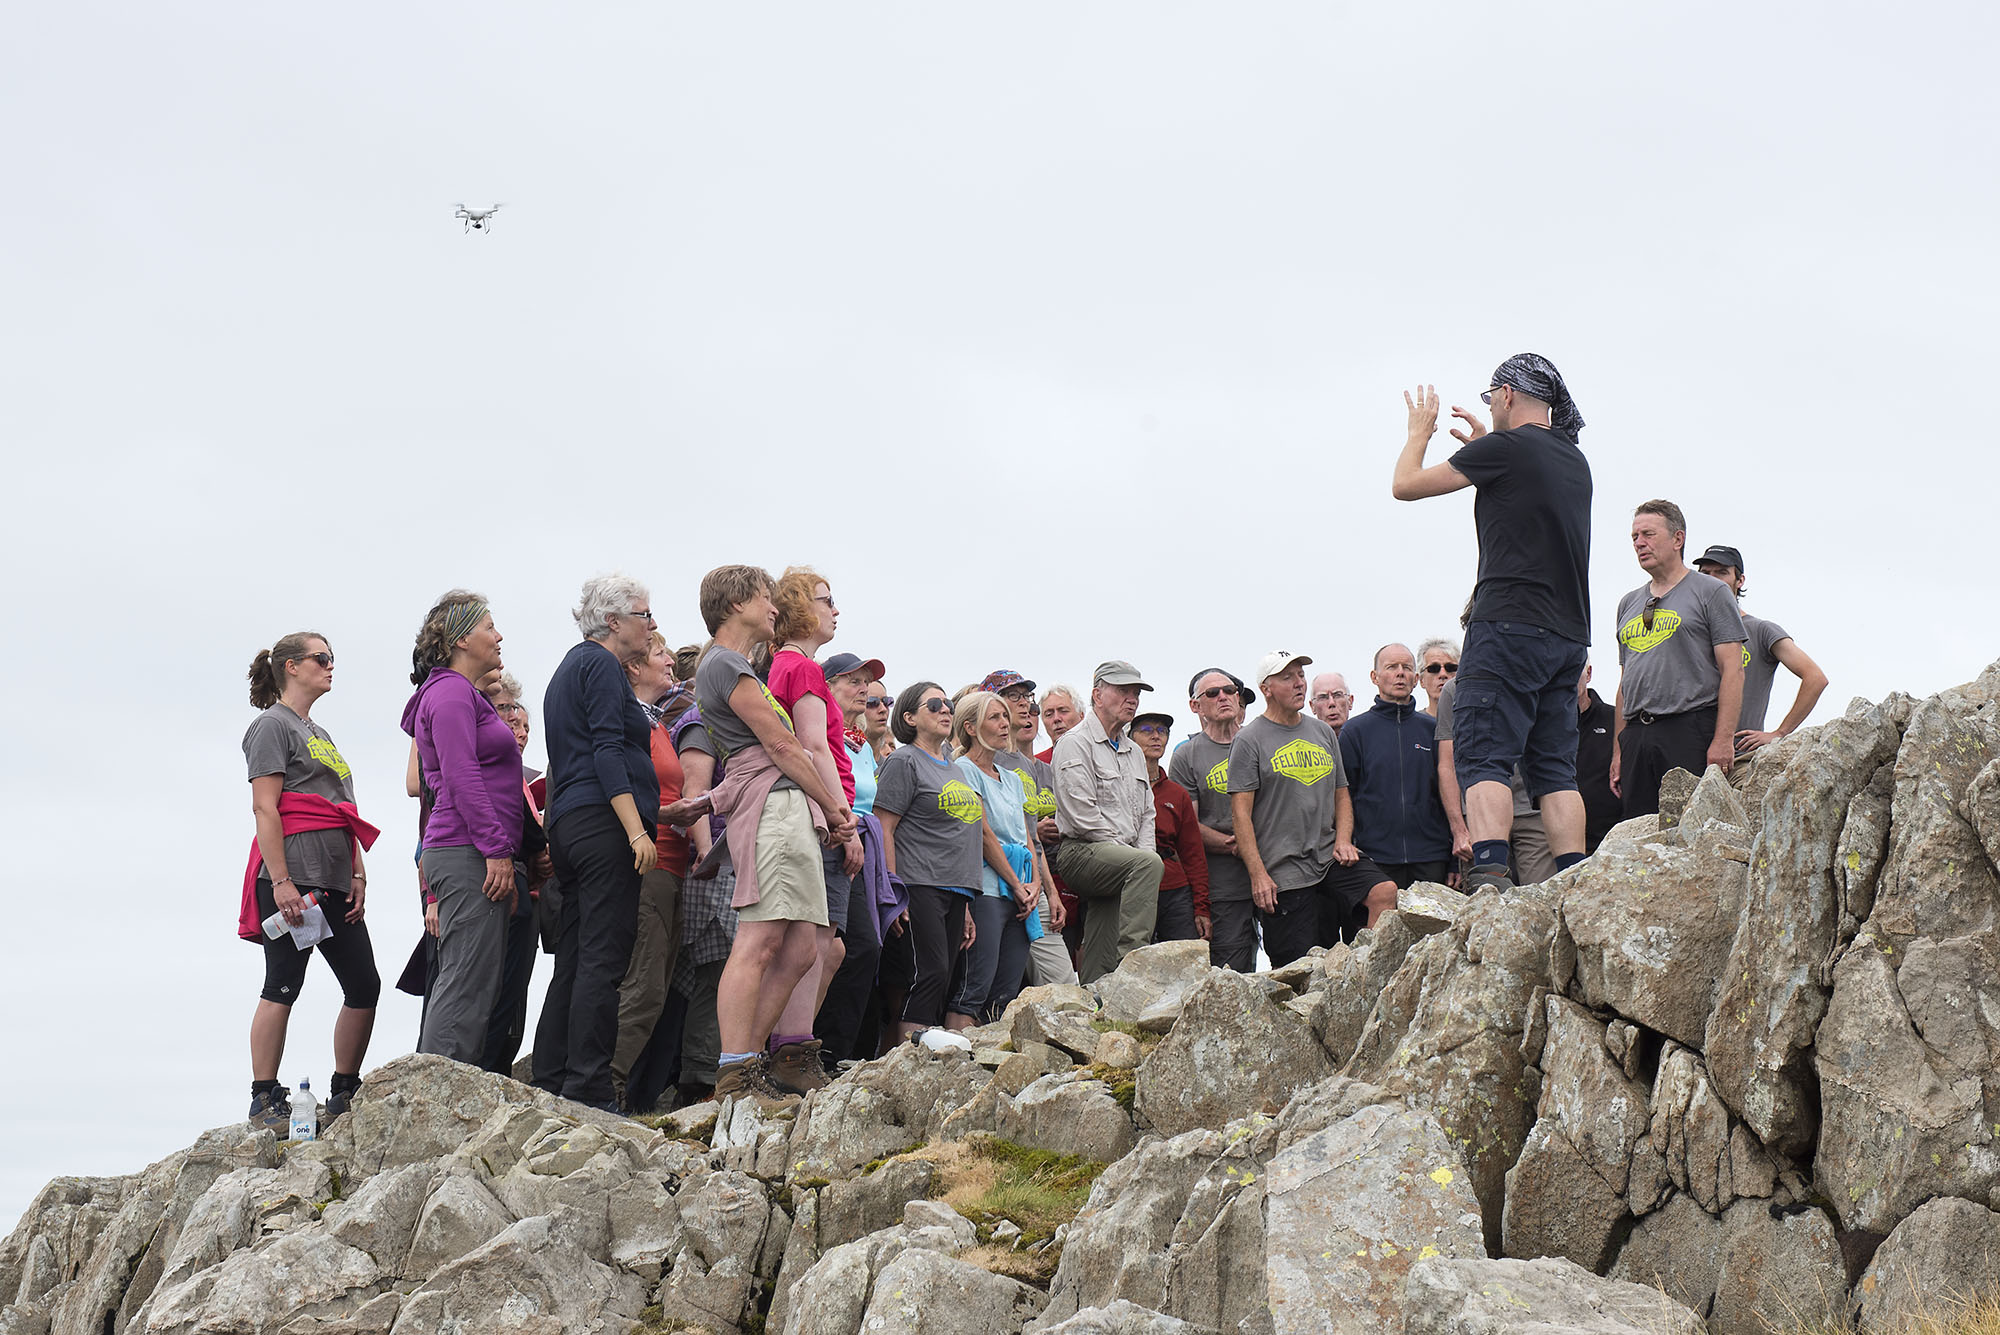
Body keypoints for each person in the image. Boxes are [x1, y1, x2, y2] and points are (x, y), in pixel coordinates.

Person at [1392, 356, 1593, 893]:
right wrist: (1483, 446)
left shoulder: (1503, 450)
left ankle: (1490, 878)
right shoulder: (1573, 459)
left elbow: (1405, 485)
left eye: (1489, 399)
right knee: (1555, 768)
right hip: (1569, 634)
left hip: (1507, 627)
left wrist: (1420, 433)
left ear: (1506, 395)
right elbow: (1518, 488)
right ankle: (1573, 879)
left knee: (1486, 758)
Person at [694, 566, 856, 1106]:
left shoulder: (736, 667)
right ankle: (736, 1072)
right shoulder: (727, 664)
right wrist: (835, 808)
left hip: (782, 808)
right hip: (775, 811)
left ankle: (748, 1062)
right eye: (765, 598)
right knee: (761, 939)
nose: (774, 608)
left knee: (800, 948)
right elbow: (784, 747)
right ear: (737, 603)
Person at [533, 574, 663, 1112]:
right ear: (613, 622)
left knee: (578, 954)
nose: (651, 625)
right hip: (604, 823)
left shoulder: (567, 668)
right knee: (604, 959)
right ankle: (588, 1086)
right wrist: (636, 828)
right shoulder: (603, 664)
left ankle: (553, 1073)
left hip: (569, 824)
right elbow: (608, 749)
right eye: (644, 614)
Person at [240, 632, 379, 1131]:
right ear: (292, 666)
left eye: (332, 658)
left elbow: (344, 810)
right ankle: (263, 1098)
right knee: (283, 983)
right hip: (293, 879)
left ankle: (344, 1088)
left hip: (336, 877)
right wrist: (281, 882)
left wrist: (358, 870)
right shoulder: (271, 726)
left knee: (364, 984)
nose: (330, 665)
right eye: (322, 658)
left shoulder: (320, 733)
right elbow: (265, 807)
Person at [403, 592, 523, 1067]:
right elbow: (459, 776)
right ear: (458, 639)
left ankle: (440, 1093)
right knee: (463, 981)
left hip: (466, 849)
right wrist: (497, 851)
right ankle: (430, 1102)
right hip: (467, 850)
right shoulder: (451, 692)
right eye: (489, 626)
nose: (498, 636)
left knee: (473, 980)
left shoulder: (456, 693)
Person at [762, 568, 864, 1092]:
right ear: (800, 607)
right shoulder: (802, 669)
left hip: (809, 815)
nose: (835, 610)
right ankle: (791, 1051)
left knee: (822, 944)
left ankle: (788, 1049)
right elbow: (813, 747)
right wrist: (843, 819)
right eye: (826, 600)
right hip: (821, 816)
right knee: (816, 941)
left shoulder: (784, 666)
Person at [1230, 651, 1386, 964]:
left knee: (1384, 892)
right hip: (1284, 872)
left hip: (1328, 857)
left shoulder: (1322, 732)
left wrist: (1343, 839)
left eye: (1300, 675)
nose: (1299, 683)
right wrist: (1258, 874)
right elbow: (1240, 815)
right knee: (1302, 968)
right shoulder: (1249, 740)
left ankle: (1368, 976)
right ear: (1266, 688)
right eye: (1287, 677)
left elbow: (1341, 794)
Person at [1611, 502, 1747, 818]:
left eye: (1648, 534)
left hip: (1689, 728)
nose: (1639, 543)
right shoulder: (1628, 603)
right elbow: (1625, 681)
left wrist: (1723, 740)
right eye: (1634, 537)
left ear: (1677, 539)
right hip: (1636, 735)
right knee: (1638, 835)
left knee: (1689, 832)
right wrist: (1618, 750)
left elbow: (1733, 669)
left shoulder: (1711, 592)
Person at [611, 631, 693, 1113]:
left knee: (657, 988)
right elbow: (619, 787)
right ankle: (609, 1087)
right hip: (651, 861)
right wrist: (669, 816)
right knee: (642, 984)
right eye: (660, 654)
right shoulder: (631, 722)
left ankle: (619, 1087)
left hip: (673, 865)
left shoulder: (658, 723)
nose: (670, 662)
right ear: (634, 668)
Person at [878, 681, 985, 1035]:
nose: (945, 710)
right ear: (909, 718)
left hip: (956, 888)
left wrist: (966, 905)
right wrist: (892, 890)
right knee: (928, 972)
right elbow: (884, 827)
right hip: (918, 883)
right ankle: (908, 1057)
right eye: (934, 704)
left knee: (944, 976)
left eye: (948, 705)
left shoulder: (953, 767)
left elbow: (960, 836)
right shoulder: (903, 760)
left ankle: (922, 1053)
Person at [1051, 662, 1164, 982]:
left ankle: (1099, 994)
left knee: (1101, 939)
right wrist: (1137, 858)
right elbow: (1080, 814)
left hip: (1119, 855)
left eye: (1136, 693)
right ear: (1097, 695)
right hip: (1081, 850)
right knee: (1147, 866)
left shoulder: (1133, 751)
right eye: (1123, 691)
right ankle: (1134, 964)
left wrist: (1138, 853)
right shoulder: (1075, 742)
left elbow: (1147, 813)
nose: (1132, 699)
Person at [947, 691, 1045, 1024]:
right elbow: (984, 835)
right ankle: (954, 1062)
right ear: (970, 727)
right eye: (995, 718)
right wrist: (1018, 885)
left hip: (1021, 891)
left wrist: (1034, 884)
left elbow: (1026, 836)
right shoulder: (963, 769)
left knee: (1007, 988)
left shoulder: (1014, 779)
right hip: (988, 888)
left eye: (1006, 717)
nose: (1005, 724)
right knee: (975, 985)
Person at [813, 651, 891, 1065]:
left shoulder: (861, 745)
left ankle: (835, 1053)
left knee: (861, 950)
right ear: (826, 686)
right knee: (843, 947)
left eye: (868, 682)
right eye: (853, 680)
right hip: (834, 841)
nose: (864, 689)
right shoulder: (820, 732)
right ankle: (818, 1051)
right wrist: (846, 832)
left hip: (862, 849)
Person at [1690, 545, 1830, 772]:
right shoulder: (1687, 633)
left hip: (1740, 761)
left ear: (1740, 580)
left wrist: (1780, 733)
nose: (1712, 580)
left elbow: (1815, 677)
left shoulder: (1760, 630)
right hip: (1687, 757)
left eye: (1722, 572)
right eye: (1705, 574)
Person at [1339, 644, 1453, 900]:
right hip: (1375, 860)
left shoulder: (1434, 730)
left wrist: (1453, 861)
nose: (1400, 673)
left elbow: (1449, 795)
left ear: (1416, 679)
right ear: (1374, 677)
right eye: (1391, 667)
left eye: (1406, 668)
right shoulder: (1355, 732)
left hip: (1432, 858)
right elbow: (1344, 794)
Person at [987, 670, 1075, 987]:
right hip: (989, 885)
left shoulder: (1026, 764)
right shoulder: (974, 761)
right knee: (993, 983)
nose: (1025, 705)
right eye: (1014, 696)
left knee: (1062, 980)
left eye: (1027, 698)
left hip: (1031, 882)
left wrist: (1050, 892)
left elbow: (1032, 839)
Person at [1169, 668, 1259, 971]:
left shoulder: (1261, 741)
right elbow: (1187, 828)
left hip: (1278, 876)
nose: (1223, 697)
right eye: (1212, 693)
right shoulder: (1187, 756)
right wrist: (1237, 845)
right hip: (1224, 886)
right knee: (1231, 972)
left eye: (1230, 690)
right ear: (1195, 706)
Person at [481, 672, 546, 1075]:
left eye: (524, 725)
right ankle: (485, 1068)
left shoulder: (526, 777)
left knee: (515, 989)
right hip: (497, 878)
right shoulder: (487, 763)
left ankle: (500, 1068)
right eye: (507, 716)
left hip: (527, 888)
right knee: (491, 986)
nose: (519, 731)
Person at [1437, 675, 1553, 886]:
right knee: (1488, 899)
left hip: (1531, 811)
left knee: (1540, 899)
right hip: (1480, 812)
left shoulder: (1539, 681)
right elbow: (1447, 765)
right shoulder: (1454, 689)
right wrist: (1459, 830)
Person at [1133, 712, 1210, 943]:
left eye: (1162, 731)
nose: (1156, 737)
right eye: (1146, 730)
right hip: (1132, 883)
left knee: (1185, 960)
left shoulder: (1177, 794)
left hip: (1173, 887)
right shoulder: (1118, 784)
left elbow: (1193, 854)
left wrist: (1201, 908)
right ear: (1130, 737)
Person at [1574, 665, 1621, 853]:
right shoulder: (1541, 727)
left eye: (1574, 668)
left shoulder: (1616, 720)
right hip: (1555, 844)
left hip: (1611, 842)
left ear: (1589, 673)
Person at [1037, 685, 1085, 762]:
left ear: (1081, 715)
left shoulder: (1101, 755)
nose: (1056, 718)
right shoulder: (1037, 766)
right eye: (1049, 714)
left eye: (1063, 711)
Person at [1416, 638, 1460, 718]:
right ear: (1421, 680)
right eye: (1433, 668)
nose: (1443, 674)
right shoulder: (1413, 725)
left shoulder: (1476, 722)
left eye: (1451, 668)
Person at [863, 679, 896, 763]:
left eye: (886, 702)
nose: (883, 709)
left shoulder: (892, 767)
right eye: (873, 702)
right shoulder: (842, 761)